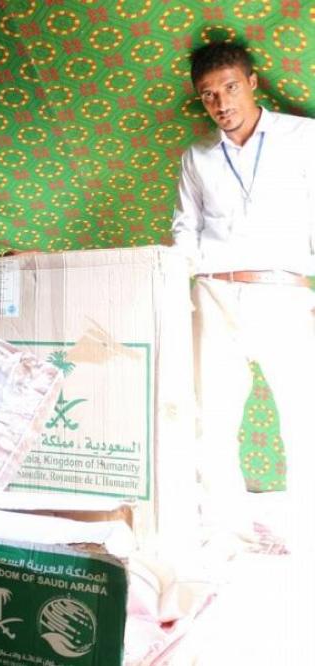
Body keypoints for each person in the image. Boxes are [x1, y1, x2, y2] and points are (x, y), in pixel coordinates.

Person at [170, 40, 315, 665]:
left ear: (252, 82)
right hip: (214, 295)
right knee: (213, 419)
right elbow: (185, 227)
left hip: (284, 292)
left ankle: (306, 533)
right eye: (208, 95)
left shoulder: (305, 138)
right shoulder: (197, 155)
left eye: (229, 87)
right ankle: (227, 533)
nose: (220, 103)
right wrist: (186, 278)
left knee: (302, 416)